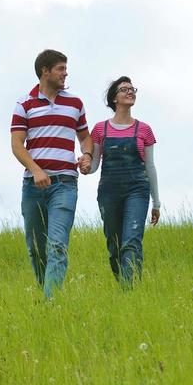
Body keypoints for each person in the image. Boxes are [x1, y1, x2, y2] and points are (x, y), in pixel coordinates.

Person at [10, 49, 92, 299]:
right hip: (33, 187)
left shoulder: (75, 103)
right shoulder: (24, 103)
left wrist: (87, 155)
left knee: (57, 244)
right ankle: (45, 291)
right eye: (61, 68)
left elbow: (85, 137)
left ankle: (50, 302)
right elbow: (16, 144)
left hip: (65, 184)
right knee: (36, 249)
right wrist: (36, 170)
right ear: (45, 71)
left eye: (65, 68)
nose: (65, 73)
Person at [81, 75, 160, 286]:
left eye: (132, 89)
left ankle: (130, 290)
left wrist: (156, 202)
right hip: (109, 191)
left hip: (138, 189)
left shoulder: (144, 130)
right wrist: (86, 166)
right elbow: (95, 164)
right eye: (124, 89)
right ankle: (123, 283)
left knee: (132, 242)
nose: (130, 92)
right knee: (114, 244)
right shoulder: (100, 129)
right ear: (114, 98)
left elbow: (150, 167)